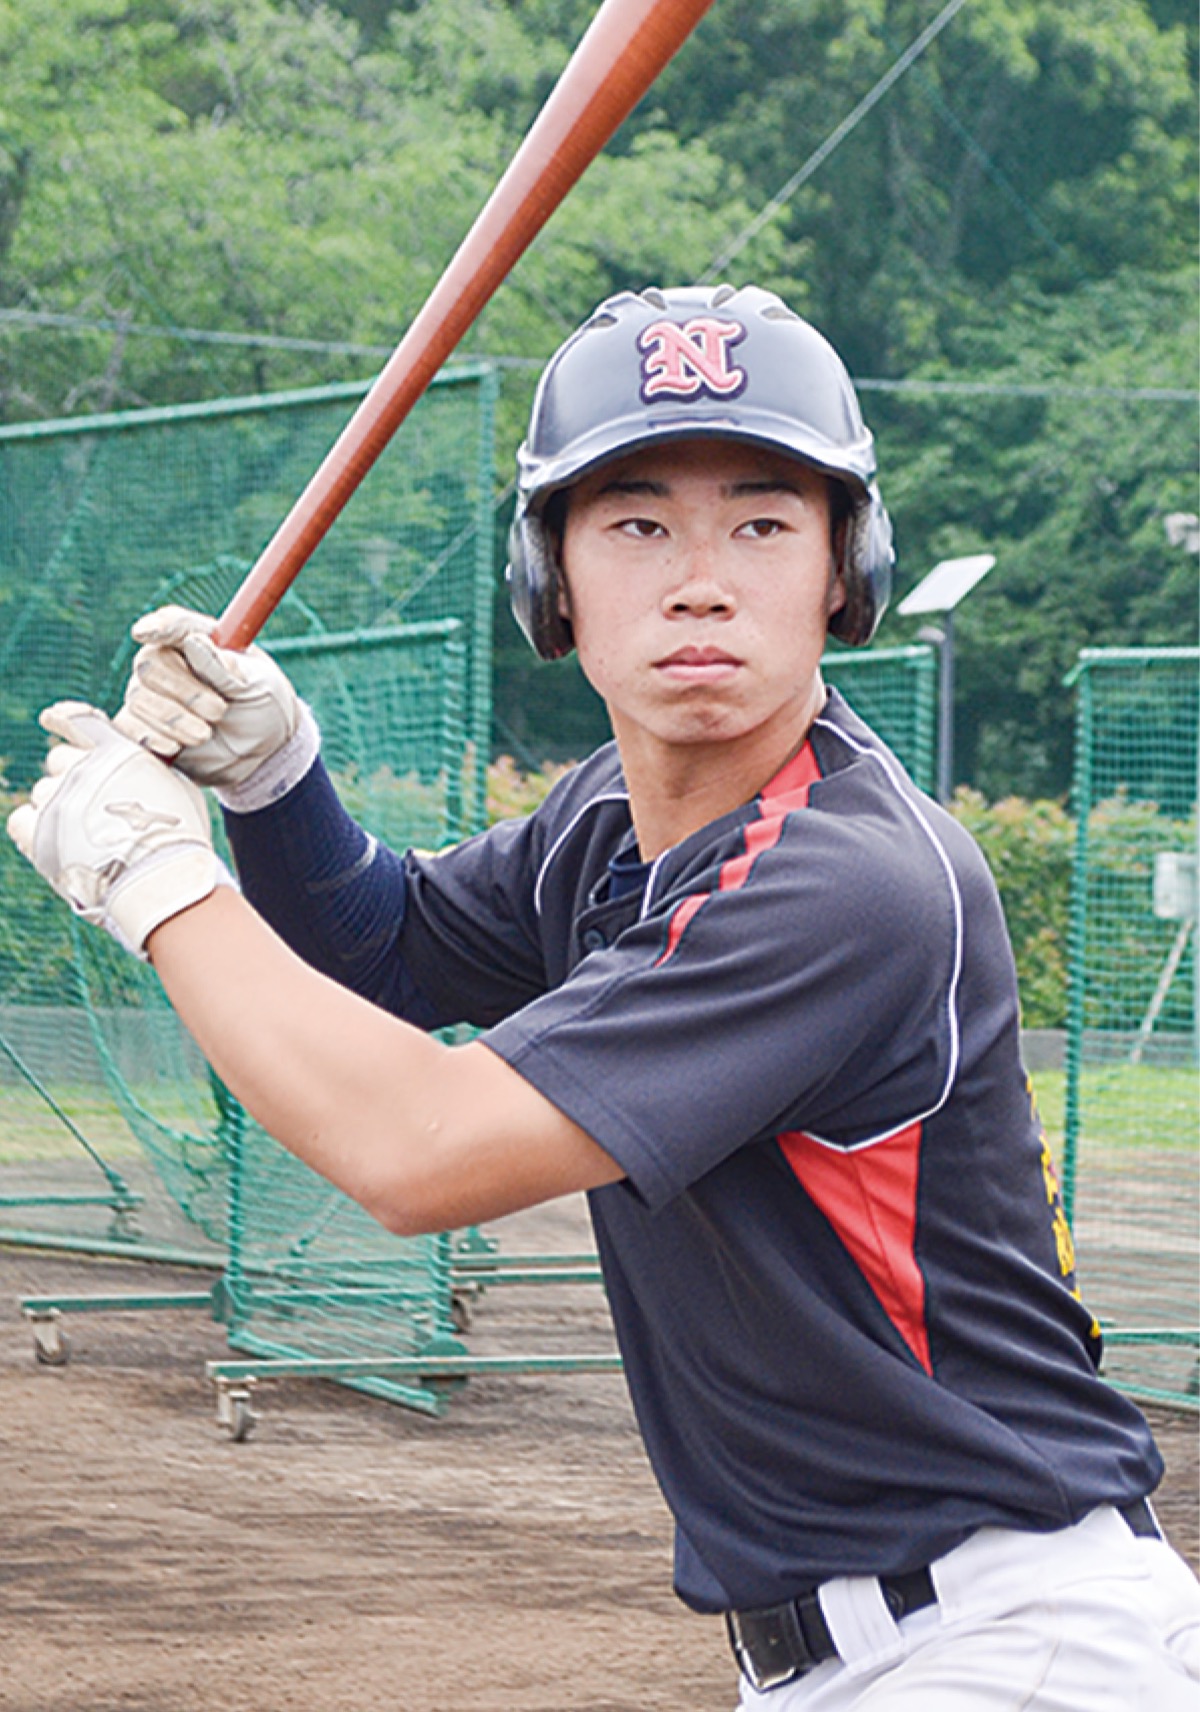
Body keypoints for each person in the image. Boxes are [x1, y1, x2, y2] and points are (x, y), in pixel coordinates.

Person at [9, 284, 1200, 1710]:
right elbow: (387, 943)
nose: (701, 577)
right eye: (636, 524)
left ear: (845, 573)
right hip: (894, 1645)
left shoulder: (847, 881)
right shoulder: (613, 823)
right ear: (552, 585)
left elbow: (419, 1150)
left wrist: (156, 880)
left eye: (762, 522)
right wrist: (274, 782)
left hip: (1014, 1645)